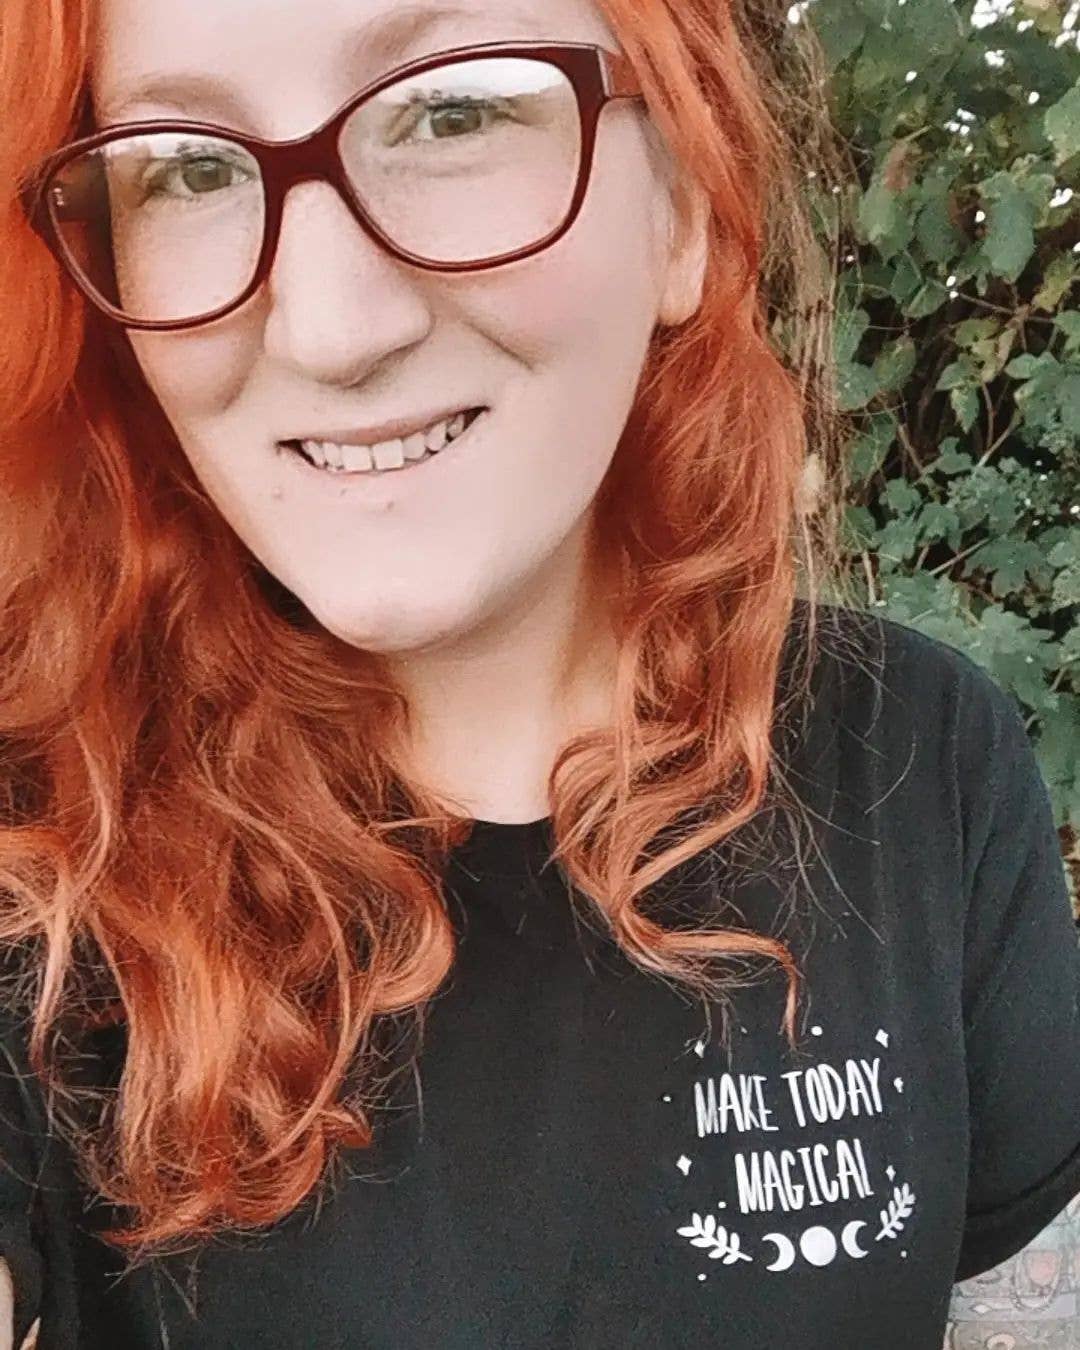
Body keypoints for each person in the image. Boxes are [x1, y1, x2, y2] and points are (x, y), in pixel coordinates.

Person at [0, 0, 1077, 1345]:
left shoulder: (919, 756)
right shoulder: (41, 853)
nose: (333, 326)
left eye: (451, 110)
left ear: (680, 209)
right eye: (184, 167)